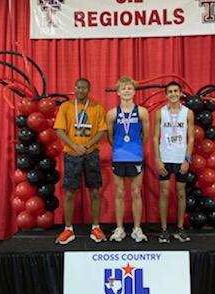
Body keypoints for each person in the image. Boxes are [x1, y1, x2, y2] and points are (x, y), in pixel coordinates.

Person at [54, 78, 107, 245]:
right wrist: (75, 146)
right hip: (72, 154)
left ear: (89, 90)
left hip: (91, 153)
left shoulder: (97, 107)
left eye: (84, 88)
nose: (81, 90)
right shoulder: (66, 107)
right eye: (78, 87)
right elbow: (60, 130)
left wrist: (88, 145)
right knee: (69, 192)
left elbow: (102, 131)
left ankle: (96, 227)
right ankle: (68, 229)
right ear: (74, 88)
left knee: (95, 191)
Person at [106, 76, 149, 242]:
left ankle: (137, 229)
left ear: (134, 91)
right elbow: (110, 137)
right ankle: (119, 228)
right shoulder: (111, 114)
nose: (126, 91)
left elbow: (145, 135)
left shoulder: (142, 112)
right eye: (123, 88)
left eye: (129, 88)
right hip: (118, 156)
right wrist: (120, 148)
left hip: (136, 155)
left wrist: (135, 147)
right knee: (119, 193)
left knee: (136, 192)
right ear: (118, 92)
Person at [153, 81, 194, 243]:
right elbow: (155, 137)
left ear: (180, 93)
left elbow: (190, 138)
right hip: (165, 158)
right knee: (163, 193)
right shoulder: (160, 113)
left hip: (180, 158)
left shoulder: (188, 113)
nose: (173, 94)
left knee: (181, 194)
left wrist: (187, 160)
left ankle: (180, 228)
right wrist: (157, 159)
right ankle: (164, 230)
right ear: (166, 94)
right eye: (170, 91)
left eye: (176, 91)